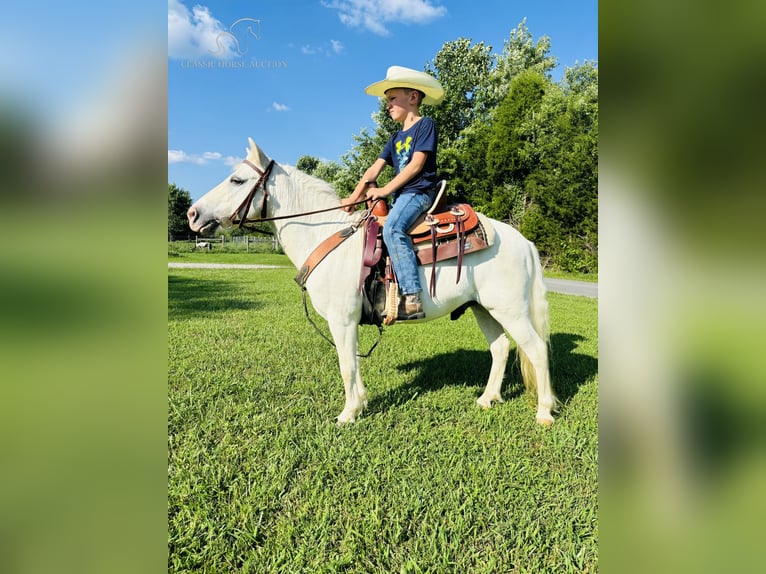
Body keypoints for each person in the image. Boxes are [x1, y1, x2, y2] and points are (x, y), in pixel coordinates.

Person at [342, 66, 444, 321]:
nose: (387, 105)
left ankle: (412, 297)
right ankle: (381, 290)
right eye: (387, 100)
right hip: (402, 197)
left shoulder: (425, 125)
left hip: (420, 193)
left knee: (392, 230)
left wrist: (385, 190)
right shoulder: (394, 138)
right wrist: (354, 198)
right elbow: (372, 171)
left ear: (413, 97)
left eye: (392, 98)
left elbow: (416, 165)